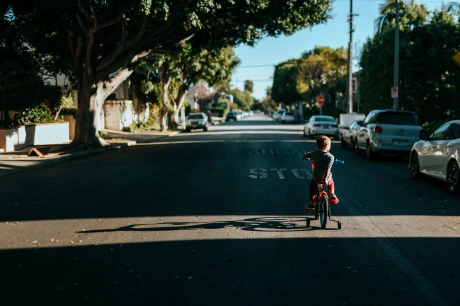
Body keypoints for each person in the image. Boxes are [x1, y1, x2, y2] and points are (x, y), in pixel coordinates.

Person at [302, 135, 339, 211]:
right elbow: (327, 169)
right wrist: (325, 179)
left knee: (312, 186)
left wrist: (307, 158)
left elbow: (305, 155)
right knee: (331, 182)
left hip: (317, 178)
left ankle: (312, 203)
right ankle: (332, 194)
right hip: (326, 178)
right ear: (326, 146)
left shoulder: (315, 153)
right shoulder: (330, 157)